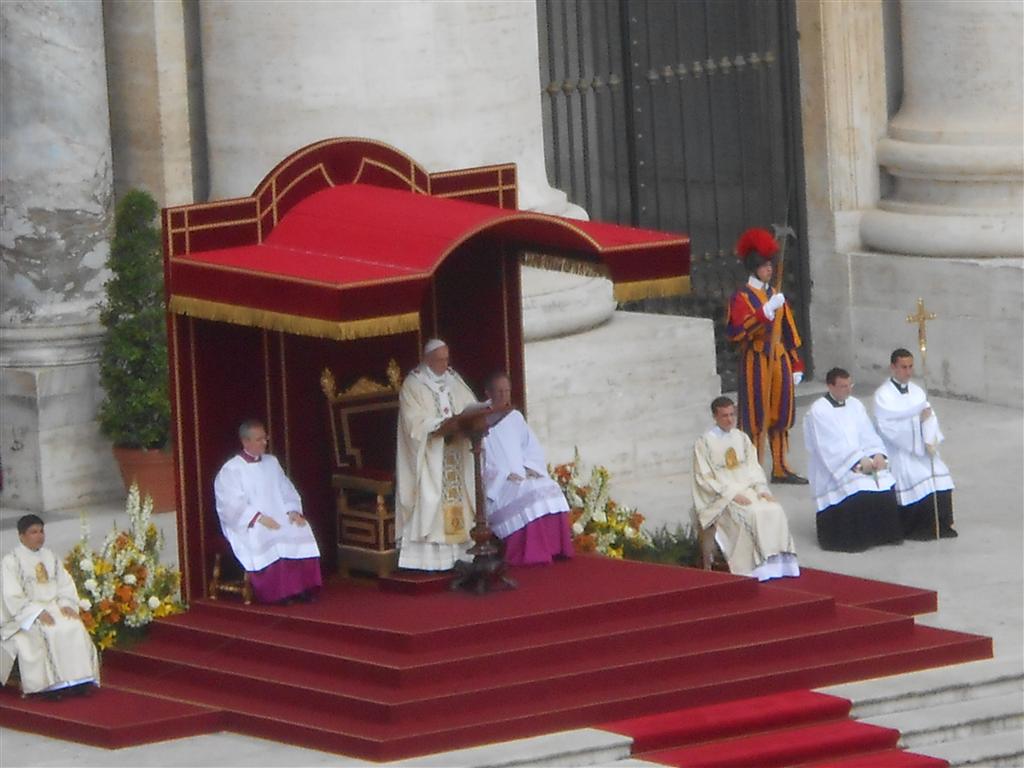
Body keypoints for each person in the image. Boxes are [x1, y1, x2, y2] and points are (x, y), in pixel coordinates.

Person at [726, 227, 807, 484]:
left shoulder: (775, 294)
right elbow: (736, 332)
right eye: (763, 266)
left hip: (779, 359)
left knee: (781, 414)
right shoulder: (742, 297)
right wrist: (763, 315)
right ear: (754, 267)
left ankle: (781, 467)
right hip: (757, 361)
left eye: (770, 265)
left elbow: (788, 330)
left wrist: (796, 363)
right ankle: (754, 468)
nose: (769, 269)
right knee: (756, 416)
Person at [690, 396, 799, 581]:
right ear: (714, 417)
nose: (730, 419)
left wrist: (762, 490)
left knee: (775, 509)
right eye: (724, 415)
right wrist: (732, 495)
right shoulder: (704, 443)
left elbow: (753, 468)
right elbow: (704, 478)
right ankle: (756, 568)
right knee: (753, 514)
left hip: (749, 489)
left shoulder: (742, 438)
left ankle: (778, 566)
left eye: (732, 414)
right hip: (723, 497)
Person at [213, 419, 322, 604]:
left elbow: (286, 488)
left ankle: (302, 588)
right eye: (259, 439)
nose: (264, 442)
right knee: (270, 534)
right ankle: (279, 593)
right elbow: (230, 504)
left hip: (278, 515)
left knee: (300, 528)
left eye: (265, 438)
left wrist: (293, 511)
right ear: (245, 442)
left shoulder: (272, 462)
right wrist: (258, 518)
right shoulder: (232, 470)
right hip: (251, 523)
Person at [395, 339, 479, 570]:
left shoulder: (454, 379)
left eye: (447, 358)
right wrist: (439, 424)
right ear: (428, 359)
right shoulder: (413, 384)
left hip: (456, 453)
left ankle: (461, 554)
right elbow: (413, 422)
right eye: (441, 360)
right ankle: (431, 560)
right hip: (430, 455)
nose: (445, 363)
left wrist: (470, 417)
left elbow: (471, 406)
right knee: (431, 498)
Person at [803, 368, 904, 552]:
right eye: (843, 386)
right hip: (835, 466)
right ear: (830, 386)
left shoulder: (855, 404)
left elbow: (867, 433)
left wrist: (877, 454)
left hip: (863, 458)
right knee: (857, 484)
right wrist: (857, 460)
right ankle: (856, 539)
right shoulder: (819, 410)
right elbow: (828, 445)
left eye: (850, 385)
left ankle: (882, 535)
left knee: (884, 478)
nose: (848, 390)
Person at [1, 515, 99, 698]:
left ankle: (79, 681)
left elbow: (64, 584)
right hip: (27, 614)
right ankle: (50, 686)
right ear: (21, 536)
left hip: (55, 606)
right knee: (49, 631)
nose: (39, 536)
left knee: (74, 625)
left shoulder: (50, 556)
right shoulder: (10, 562)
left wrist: (67, 604)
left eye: (41, 531)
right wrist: (36, 613)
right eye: (33, 532)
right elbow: (12, 596)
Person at [481, 372, 573, 566]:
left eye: (507, 391)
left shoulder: (515, 417)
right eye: (499, 391)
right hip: (500, 486)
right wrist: (505, 476)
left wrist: (529, 468)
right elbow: (478, 461)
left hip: (522, 476)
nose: (504, 396)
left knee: (549, 485)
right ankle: (533, 553)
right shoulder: (478, 423)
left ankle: (555, 548)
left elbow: (531, 448)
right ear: (488, 393)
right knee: (530, 492)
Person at [873, 349, 958, 539]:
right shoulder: (883, 395)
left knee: (940, 473)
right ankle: (920, 529)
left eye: (911, 367)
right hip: (899, 450)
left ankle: (942, 526)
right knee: (916, 474)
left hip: (921, 447)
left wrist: (929, 437)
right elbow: (887, 427)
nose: (908, 372)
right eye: (903, 367)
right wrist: (916, 422)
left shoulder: (918, 390)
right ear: (893, 367)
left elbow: (929, 415)